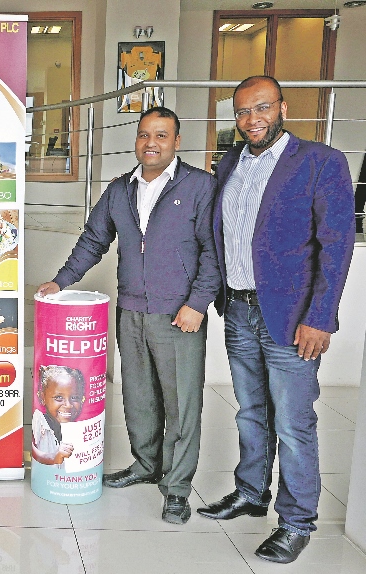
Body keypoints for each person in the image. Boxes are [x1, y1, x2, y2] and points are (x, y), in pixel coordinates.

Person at [197, 76, 355, 564]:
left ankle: (296, 521)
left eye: (261, 108)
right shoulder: (229, 164)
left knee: (292, 421)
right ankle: (250, 493)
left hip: (291, 317)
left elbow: (336, 245)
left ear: (282, 107)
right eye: (243, 112)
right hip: (240, 309)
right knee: (250, 412)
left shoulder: (319, 161)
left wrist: (321, 318)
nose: (252, 120)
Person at [38, 106, 219, 525]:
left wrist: (197, 304)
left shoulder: (199, 187)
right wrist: (61, 281)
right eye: (143, 135)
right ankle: (145, 465)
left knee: (181, 403)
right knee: (138, 397)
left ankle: (175, 488)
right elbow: (93, 240)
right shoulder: (121, 189)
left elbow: (213, 251)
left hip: (179, 313)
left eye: (161, 135)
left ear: (176, 141)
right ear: (136, 140)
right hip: (131, 309)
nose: (150, 143)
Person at [31, 365, 85, 467]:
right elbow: (34, 451)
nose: (68, 405)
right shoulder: (40, 421)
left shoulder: (79, 429)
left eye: (74, 397)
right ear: (42, 397)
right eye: (59, 397)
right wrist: (53, 457)